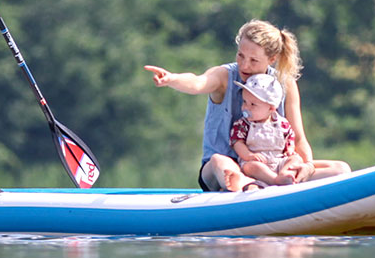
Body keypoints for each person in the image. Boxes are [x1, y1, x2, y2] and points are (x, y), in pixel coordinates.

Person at [144, 19, 350, 192]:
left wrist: (306, 167)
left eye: (253, 60)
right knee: (219, 162)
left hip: (273, 168)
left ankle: (276, 184)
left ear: (271, 59)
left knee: (341, 169)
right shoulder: (225, 77)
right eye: (241, 56)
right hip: (226, 170)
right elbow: (198, 82)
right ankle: (250, 189)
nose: (244, 65)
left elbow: (298, 137)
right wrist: (171, 79)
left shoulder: (285, 83)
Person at [228, 73, 307, 187]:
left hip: (278, 160)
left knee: (296, 159)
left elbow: (290, 136)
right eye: (244, 102)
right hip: (257, 162)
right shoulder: (243, 124)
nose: (246, 107)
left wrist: (289, 149)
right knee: (251, 167)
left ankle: (285, 173)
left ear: (271, 108)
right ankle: (275, 180)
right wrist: (248, 155)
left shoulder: (282, 123)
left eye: (253, 104)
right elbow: (237, 143)